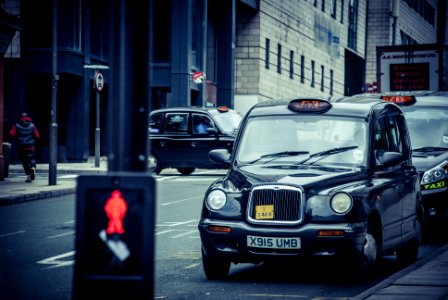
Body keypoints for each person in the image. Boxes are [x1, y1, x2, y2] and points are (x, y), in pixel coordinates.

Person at [9, 113, 40, 182]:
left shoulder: (16, 125)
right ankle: (32, 167)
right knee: (31, 158)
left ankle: (28, 177)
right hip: (30, 146)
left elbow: (12, 134)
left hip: (21, 146)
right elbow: (37, 136)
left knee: (24, 161)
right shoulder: (32, 125)